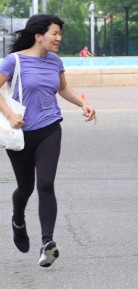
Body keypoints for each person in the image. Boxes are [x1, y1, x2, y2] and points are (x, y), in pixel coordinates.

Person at [0, 14, 96, 267]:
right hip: (20, 134)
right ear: (38, 36)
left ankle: (47, 243)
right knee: (25, 188)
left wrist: (83, 104)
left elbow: (62, 89)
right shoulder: (14, 61)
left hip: (49, 129)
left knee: (45, 183)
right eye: (54, 33)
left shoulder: (55, 61)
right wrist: (10, 116)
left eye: (59, 33)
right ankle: (17, 221)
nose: (58, 38)